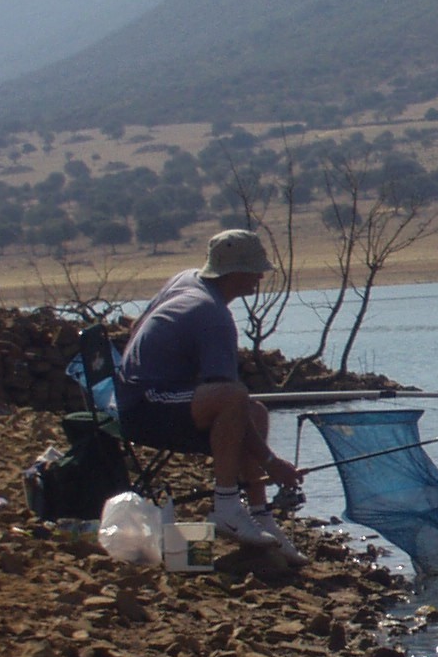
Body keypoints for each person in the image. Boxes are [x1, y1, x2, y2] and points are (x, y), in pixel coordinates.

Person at [115, 230, 306, 564]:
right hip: (144, 406)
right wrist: (271, 463)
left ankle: (261, 516)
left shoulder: (188, 278)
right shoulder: (213, 316)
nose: (260, 277)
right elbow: (230, 399)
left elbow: (136, 327)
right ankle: (227, 506)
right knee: (235, 396)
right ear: (234, 272)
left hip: (143, 394)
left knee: (256, 412)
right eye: (254, 270)